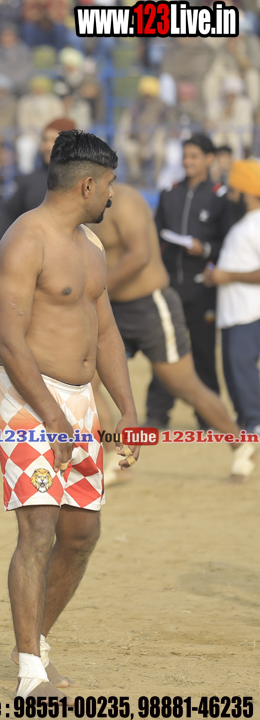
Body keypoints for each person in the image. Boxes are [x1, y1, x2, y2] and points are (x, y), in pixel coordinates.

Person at [0, 129, 140, 699]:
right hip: (30, 402)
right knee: (38, 530)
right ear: (87, 184)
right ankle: (30, 672)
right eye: (109, 185)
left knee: (81, 534)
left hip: (81, 404)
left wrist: (127, 408)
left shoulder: (91, 246)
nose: (112, 195)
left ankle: (34, 642)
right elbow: (9, 342)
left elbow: (105, 333)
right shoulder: (25, 239)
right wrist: (51, 416)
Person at [88, 183, 255, 482]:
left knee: (185, 386)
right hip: (111, 308)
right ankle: (115, 458)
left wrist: (94, 290)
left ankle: (240, 444)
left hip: (150, 305)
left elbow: (139, 255)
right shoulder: (81, 206)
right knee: (87, 384)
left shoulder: (126, 201)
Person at [149, 133, 236, 429]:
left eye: (194, 156)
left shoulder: (220, 196)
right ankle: (156, 414)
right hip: (171, 286)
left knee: (203, 351)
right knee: (164, 350)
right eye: (185, 156)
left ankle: (208, 419)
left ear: (209, 159)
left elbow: (229, 243)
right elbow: (155, 236)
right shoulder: (169, 193)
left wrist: (206, 249)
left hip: (203, 288)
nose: (188, 162)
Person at [206, 160, 260, 445]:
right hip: (233, 314)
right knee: (233, 371)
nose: (230, 197)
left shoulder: (257, 224)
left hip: (249, 313)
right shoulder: (244, 224)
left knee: (242, 367)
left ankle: (256, 422)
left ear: (248, 194)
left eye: (234, 192)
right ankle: (247, 423)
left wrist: (227, 275)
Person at [0, 118, 76, 266]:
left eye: (54, 140)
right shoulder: (30, 181)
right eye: (45, 140)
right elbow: (8, 211)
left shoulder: (83, 181)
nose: (47, 146)